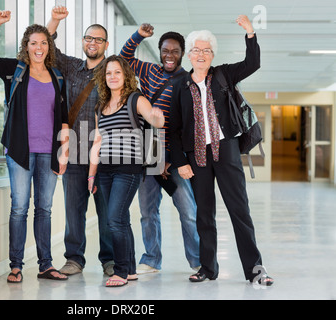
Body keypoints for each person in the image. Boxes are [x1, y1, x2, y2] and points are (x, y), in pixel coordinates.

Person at [169, 15, 273, 286]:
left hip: (226, 150)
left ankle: (254, 269)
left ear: (212, 54)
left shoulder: (224, 73)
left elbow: (253, 63)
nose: (201, 54)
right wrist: (180, 161)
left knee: (240, 210)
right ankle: (208, 268)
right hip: (196, 156)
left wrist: (250, 32)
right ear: (189, 55)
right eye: (196, 50)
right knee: (204, 214)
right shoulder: (180, 86)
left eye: (206, 50)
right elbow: (174, 128)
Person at [0, 10, 69, 282]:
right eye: (33, 43)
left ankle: (46, 265)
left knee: (45, 208)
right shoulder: (13, 71)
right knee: (19, 207)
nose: (38, 48)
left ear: (49, 46)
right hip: (19, 151)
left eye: (43, 43)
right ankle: (16, 265)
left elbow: (62, 119)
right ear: (25, 47)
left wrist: (64, 153)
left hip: (49, 152)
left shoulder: (57, 77)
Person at [120, 24, 200, 274]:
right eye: (165, 50)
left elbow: (187, 126)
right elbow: (124, 59)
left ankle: (197, 260)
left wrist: (173, 159)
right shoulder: (150, 70)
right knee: (147, 212)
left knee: (188, 211)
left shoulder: (188, 82)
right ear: (159, 52)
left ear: (182, 54)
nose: (169, 55)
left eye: (175, 51)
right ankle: (152, 259)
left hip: (174, 157)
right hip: (148, 153)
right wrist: (138, 36)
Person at [46, 5, 114, 276]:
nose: (92, 43)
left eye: (98, 39)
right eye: (88, 38)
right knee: (74, 211)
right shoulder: (72, 67)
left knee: (107, 213)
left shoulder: (114, 71)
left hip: (106, 154)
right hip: (73, 152)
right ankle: (74, 259)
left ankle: (109, 260)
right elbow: (46, 47)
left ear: (106, 44)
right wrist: (55, 20)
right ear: (83, 42)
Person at [88, 55, 164, 287]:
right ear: (104, 77)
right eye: (108, 73)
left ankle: (120, 271)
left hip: (128, 169)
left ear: (126, 76)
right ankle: (129, 269)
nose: (112, 76)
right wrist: (91, 174)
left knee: (114, 219)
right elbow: (97, 142)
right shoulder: (100, 106)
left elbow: (152, 116)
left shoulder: (135, 99)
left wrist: (157, 118)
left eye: (117, 72)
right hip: (104, 170)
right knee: (120, 219)